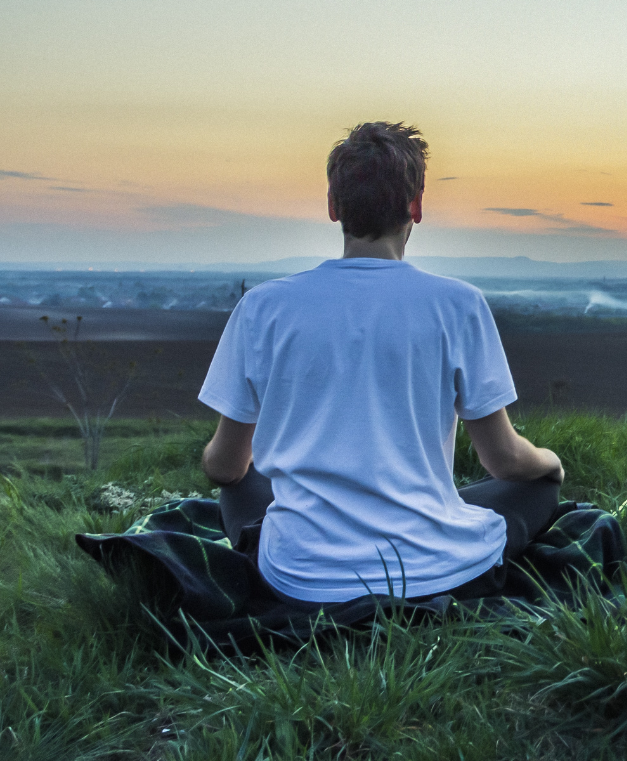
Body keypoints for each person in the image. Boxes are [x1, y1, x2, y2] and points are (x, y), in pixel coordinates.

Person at [198, 121, 564, 606]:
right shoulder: (458, 304)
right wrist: (551, 464)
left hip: (300, 577)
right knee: (536, 489)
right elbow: (503, 460)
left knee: (240, 483)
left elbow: (223, 467)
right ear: (415, 206)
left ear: (333, 207)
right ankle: (437, 528)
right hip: (433, 570)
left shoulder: (263, 307)